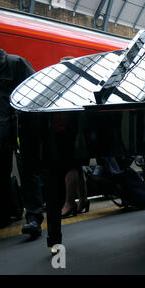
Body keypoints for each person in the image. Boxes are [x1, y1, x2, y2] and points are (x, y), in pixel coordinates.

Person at [0, 31, 39, 233]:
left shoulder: (15, 64)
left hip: (20, 128)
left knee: (28, 172)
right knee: (2, 175)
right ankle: (4, 215)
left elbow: (35, 92)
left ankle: (33, 218)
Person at [59, 56, 90, 218]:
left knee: (69, 166)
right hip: (80, 131)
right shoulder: (82, 82)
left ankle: (69, 203)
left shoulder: (70, 85)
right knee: (77, 166)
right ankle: (83, 199)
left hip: (72, 131)